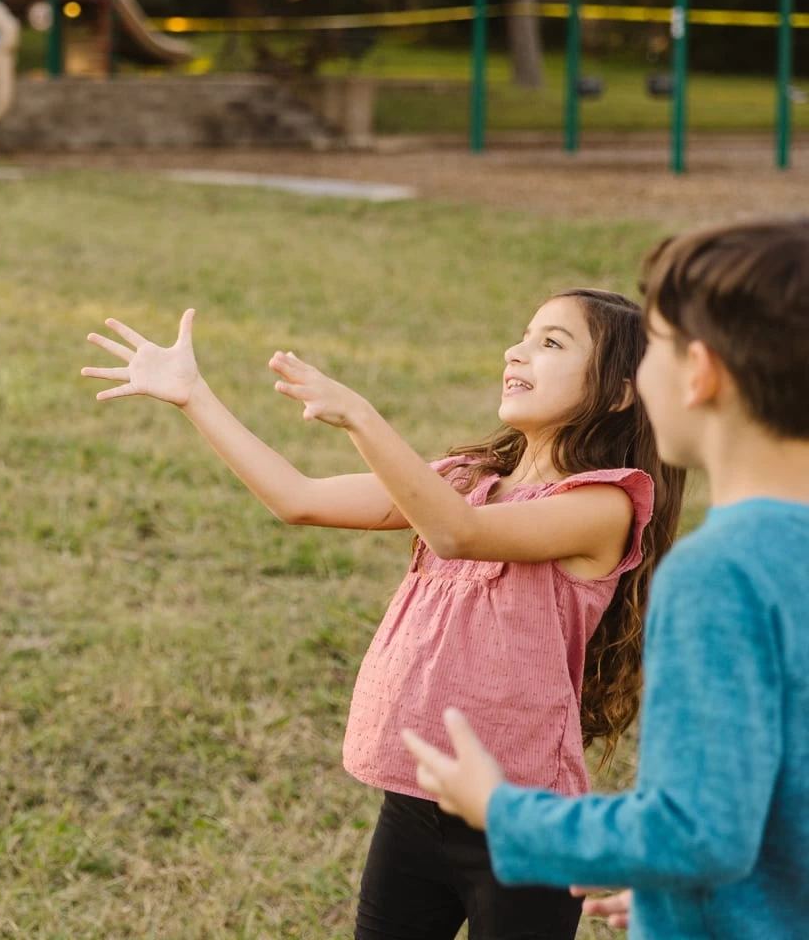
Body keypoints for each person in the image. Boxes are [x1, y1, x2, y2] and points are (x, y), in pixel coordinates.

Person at [83, 287, 684, 939]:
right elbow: (298, 498)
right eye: (523, 334)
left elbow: (460, 534)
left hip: (523, 822)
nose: (517, 351)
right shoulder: (462, 480)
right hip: (416, 802)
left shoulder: (603, 505)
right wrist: (193, 397)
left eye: (551, 343)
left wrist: (361, 418)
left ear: (622, 392)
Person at [403, 218, 809, 939]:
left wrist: (502, 810)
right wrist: (688, 887)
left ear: (700, 373)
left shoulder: (720, 574)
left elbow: (700, 831)